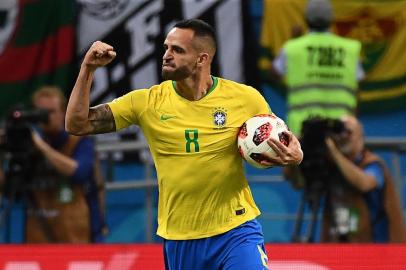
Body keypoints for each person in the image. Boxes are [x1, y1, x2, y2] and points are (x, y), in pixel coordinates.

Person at [66, 19, 303, 269]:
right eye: (166, 48)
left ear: (202, 59)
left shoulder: (245, 98)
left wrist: (296, 156)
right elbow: (77, 124)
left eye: (177, 50)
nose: (166, 55)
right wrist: (87, 69)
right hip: (180, 238)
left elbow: (281, 140)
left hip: (236, 230)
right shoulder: (147, 103)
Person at [23, 86, 106, 243]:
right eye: (40, 112)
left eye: (51, 112)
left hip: (76, 236)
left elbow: (80, 173)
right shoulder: (28, 144)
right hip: (38, 238)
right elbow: (7, 187)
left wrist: (43, 148)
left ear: (63, 112)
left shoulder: (78, 141)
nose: (45, 118)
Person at [271, 0, 364, 136]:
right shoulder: (349, 49)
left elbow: (274, 74)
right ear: (331, 20)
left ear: (306, 19)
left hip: (302, 132)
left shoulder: (292, 48)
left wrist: (296, 40)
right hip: (341, 130)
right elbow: (358, 89)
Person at [323, 115, 406, 242]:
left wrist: (334, 152)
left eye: (348, 132)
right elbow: (297, 183)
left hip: (375, 247)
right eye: (339, 132)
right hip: (341, 247)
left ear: (360, 136)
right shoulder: (332, 167)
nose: (343, 136)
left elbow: (365, 184)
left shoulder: (373, 164)